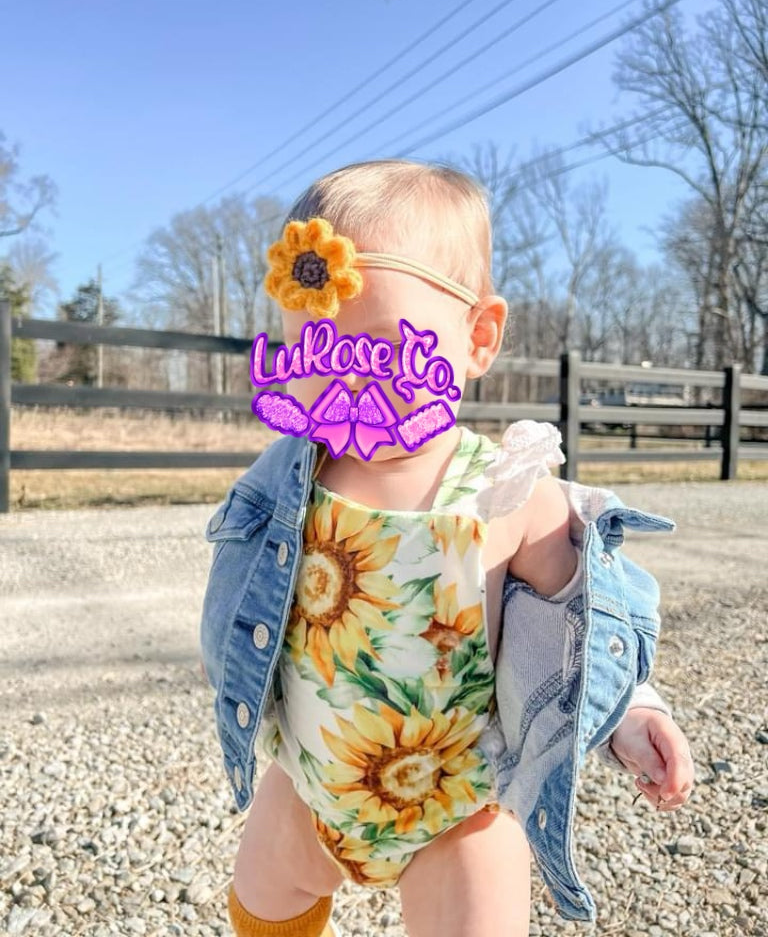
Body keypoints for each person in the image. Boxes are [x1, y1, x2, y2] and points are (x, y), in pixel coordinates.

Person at [201, 160, 694, 937]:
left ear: (478, 337)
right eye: (315, 350)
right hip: (311, 786)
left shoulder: (508, 488)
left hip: (454, 809)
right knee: (261, 899)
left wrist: (631, 707)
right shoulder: (291, 475)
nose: (344, 382)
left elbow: (583, 622)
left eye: (377, 351)